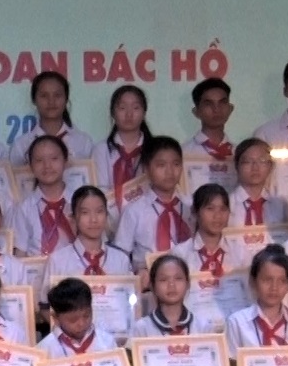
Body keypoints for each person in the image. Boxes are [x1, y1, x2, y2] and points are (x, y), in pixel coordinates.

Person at [111, 136, 191, 267]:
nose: (170, 171)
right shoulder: (134, 211)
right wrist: (138, 271)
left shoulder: (190, 206)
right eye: (161, 165)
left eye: (176, 164)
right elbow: (120, 256)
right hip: (147, 276)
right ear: (146, 169)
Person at [11, 134, 80, 257]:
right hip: (36, 268)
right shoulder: (24, 208)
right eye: (39, 160)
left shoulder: (79, 202)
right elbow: (20, 253)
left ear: (65, 161)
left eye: (54, 158)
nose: (47, 165)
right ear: (30, 166)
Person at [47, 186, 132, 278]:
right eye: (85, 212)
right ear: (74, 217)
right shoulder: (57, 262)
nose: (93, 220)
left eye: (99, 211)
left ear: (106, 215)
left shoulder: (121, 260)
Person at [10, 71, 94, 163]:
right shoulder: (21, 146)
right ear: (34, 100)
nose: (51, 101)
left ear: (66, 99)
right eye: (44, 96)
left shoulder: (84, 142)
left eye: (57, 95)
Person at [94, 84, 152, 205]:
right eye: (122, 108)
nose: (129, 114)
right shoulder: (101, 150)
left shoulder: (155, 149)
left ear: (144, 113)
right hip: (109, 214)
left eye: (135, 108)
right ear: (113, 113)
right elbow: (99, 191)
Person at [230, 138, 288, 228]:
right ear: (237, 166)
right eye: (248, 162)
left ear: (270, 166)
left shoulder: (280, 205)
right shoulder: (227, 204)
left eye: (262, 161)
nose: (255, 167)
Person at [186, 77, 238, 173]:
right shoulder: (183, 153)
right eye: (208, 104)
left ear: (230, 109)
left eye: (222, 103)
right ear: (196, 112)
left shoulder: (240, 154)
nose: (216, 109)